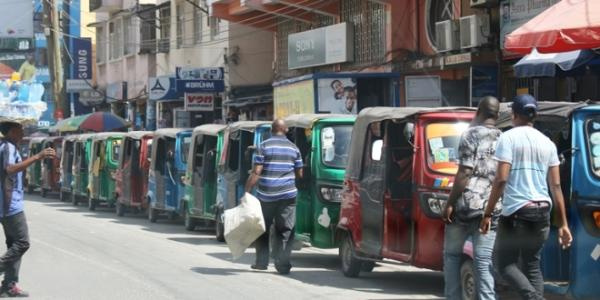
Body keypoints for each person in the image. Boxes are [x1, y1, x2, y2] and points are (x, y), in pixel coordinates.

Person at [480, 94, 573, 300]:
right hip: (542, 212)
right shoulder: (548, 143)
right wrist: (564, 224)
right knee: (532, 265)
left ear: (514, 114)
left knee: (504, 265)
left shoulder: (508, 138)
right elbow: (556, 185)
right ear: (535, 115)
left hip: (516, 212)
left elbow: (501, 179)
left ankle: (535, 298)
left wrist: (487, 213)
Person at [442, 96, 502, 300]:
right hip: (489, 210)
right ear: (497, 115)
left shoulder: (470, 135)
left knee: (451, 256)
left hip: (464, 207)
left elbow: (464, 173)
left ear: (479, 112)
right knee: (484, 262)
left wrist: (450, 203)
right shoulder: (504, 138)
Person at [0, 121, 55, 297]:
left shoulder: (10, 146)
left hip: (10, 202)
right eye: (19, 129)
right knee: (23, 243)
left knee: (13, 244)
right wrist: (37, 157)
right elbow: (9, 169)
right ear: (11, 131)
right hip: (10, 205)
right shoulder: (7, 147)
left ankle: (9, 286)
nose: (23, 132)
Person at [245, 119, 303, 275]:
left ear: (272, 130)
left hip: (266, 195)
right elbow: (300, 173)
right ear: (285, 130)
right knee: (285, 229)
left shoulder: (263, 146)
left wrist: (247, 191)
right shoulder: (294, 148)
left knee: (263, 228)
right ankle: (283, 264)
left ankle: (261, 263)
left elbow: (256, 172)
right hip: (288, 195)